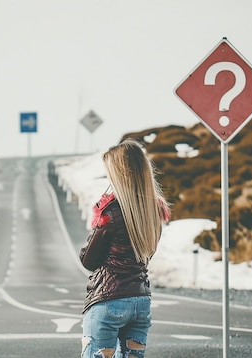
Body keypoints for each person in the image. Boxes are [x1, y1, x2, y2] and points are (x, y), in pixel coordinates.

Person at [79, 139, 170, 358]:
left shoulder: (110, 212)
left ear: (119, 175)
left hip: (108, 301)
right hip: (140, 301)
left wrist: (99, 218)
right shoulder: (153, 209)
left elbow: (88, 261)